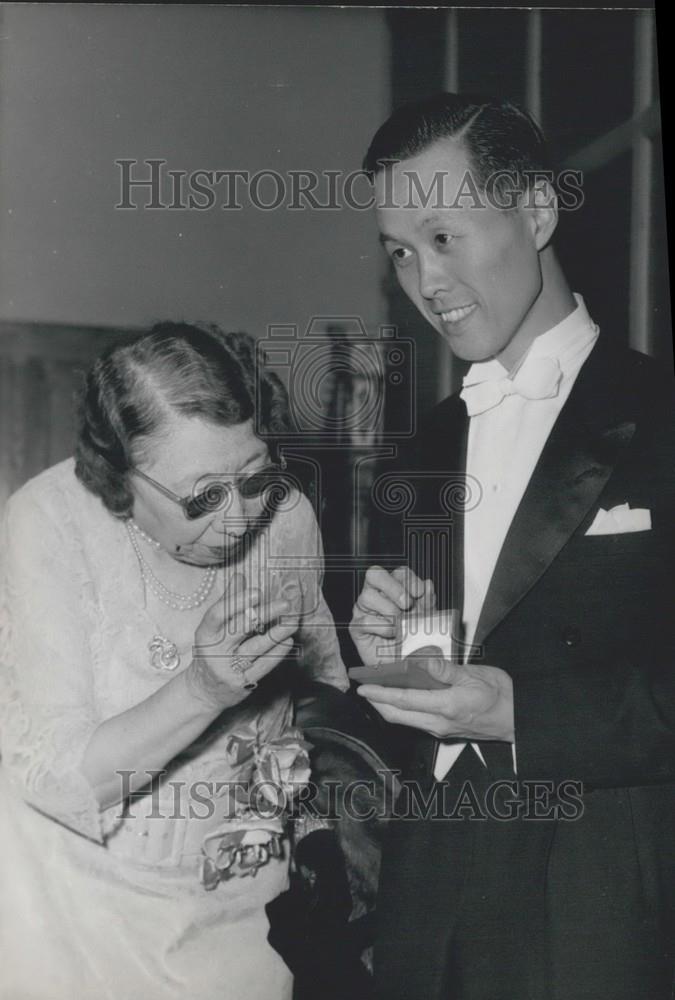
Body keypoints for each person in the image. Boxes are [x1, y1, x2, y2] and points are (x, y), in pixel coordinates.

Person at [349, 93, 675, 1000]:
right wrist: (399, 655)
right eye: (401, 253)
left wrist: (522, 716)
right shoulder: (425, 445)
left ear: (536, 211)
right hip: (432, 900)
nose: (427, 282)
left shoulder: (658, 419)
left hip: (600, 906)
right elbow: (436, 680)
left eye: (444, 236)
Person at [0, 321, 348, 999]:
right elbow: (59, 780)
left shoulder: (286, 519)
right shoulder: (50, 522)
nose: (238, 519)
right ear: (119, 478)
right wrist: (200, 689)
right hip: (69, 907)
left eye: (253, 477)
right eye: (201, 497)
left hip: (237, 901)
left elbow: (320, 706)